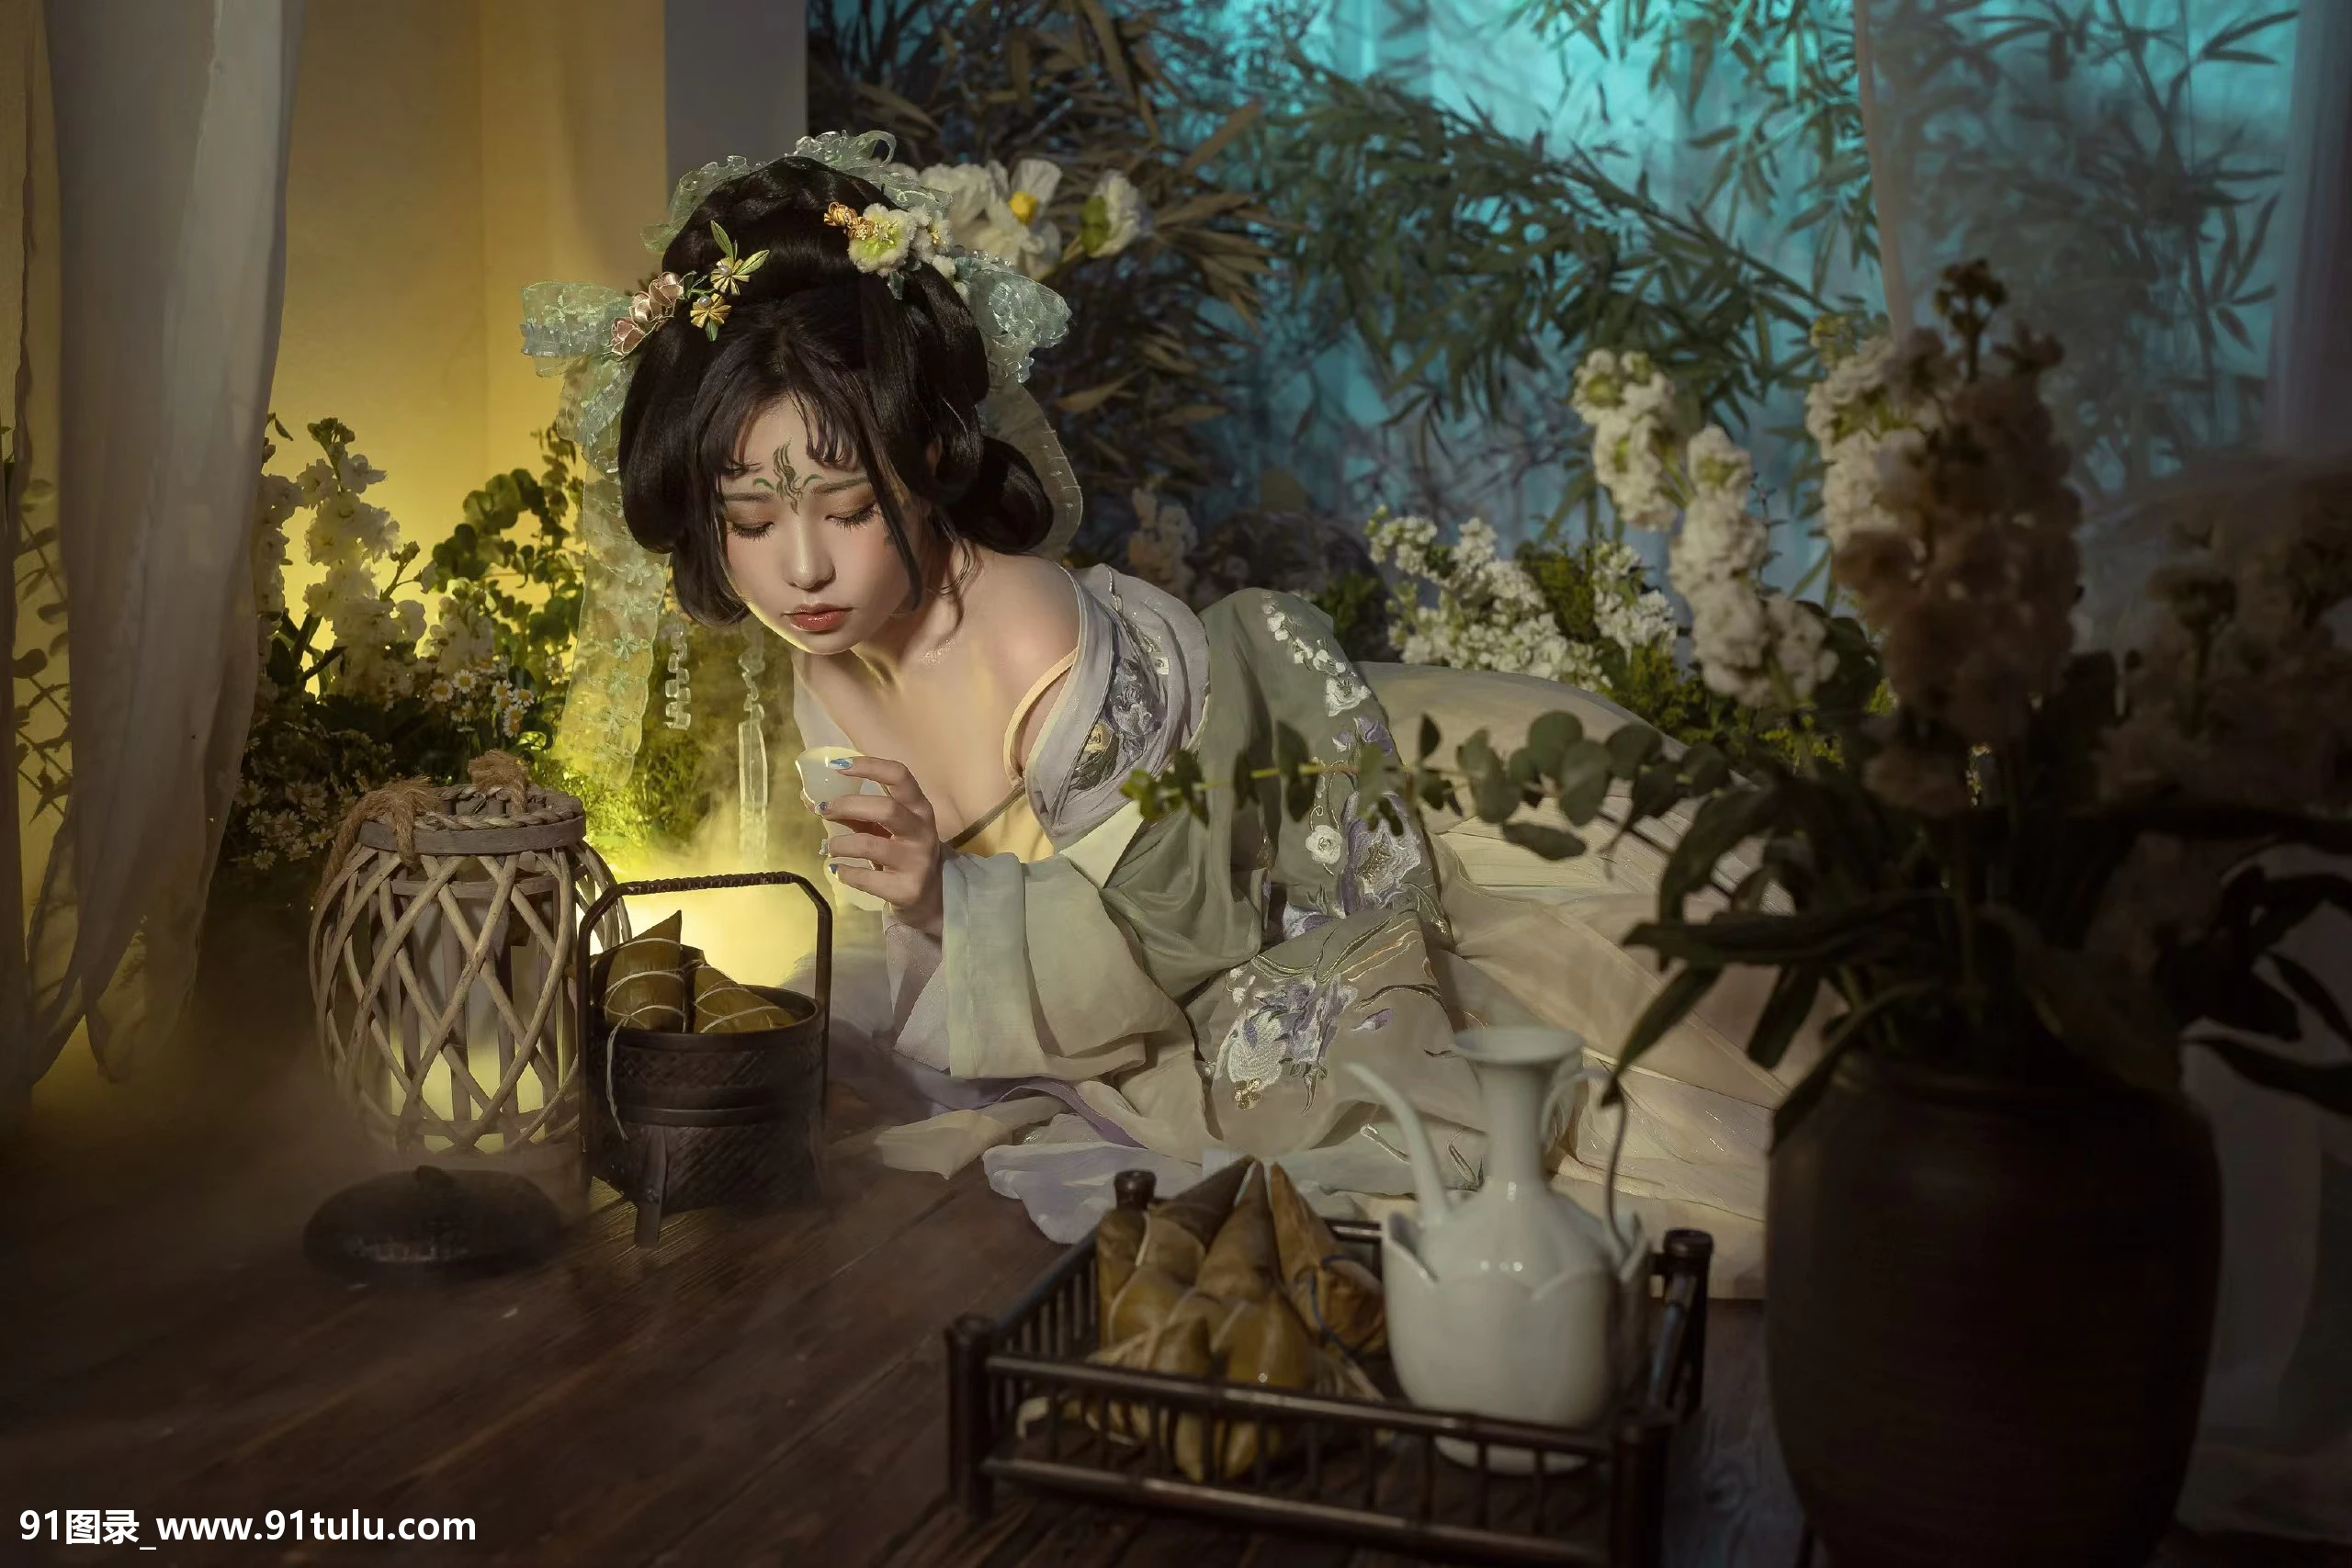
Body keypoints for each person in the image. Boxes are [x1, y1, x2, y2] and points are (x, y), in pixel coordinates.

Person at [525, 135, 1811, 1291]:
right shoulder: (824, 665)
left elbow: (1188, 949)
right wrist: (929, 908)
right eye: (751, 520)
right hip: (1127, 944)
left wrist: (944, 900)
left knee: (1543, 1083)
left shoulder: (1028, 636)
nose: (801, 568)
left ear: (924, 467)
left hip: (1286, 833)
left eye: (848, 509)